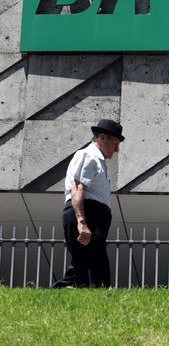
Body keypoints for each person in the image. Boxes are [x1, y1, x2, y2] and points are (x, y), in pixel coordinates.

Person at [53, 119, 124, 288]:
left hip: (93, 214)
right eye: (115, 143)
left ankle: (71, 288)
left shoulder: (98, 159)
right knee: (93, 263)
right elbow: (77, 188)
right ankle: (93, 291)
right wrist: (82, 222)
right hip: (87, 212)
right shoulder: (89, 155)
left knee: (84, 263)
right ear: (102, 138)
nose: (117, 149)